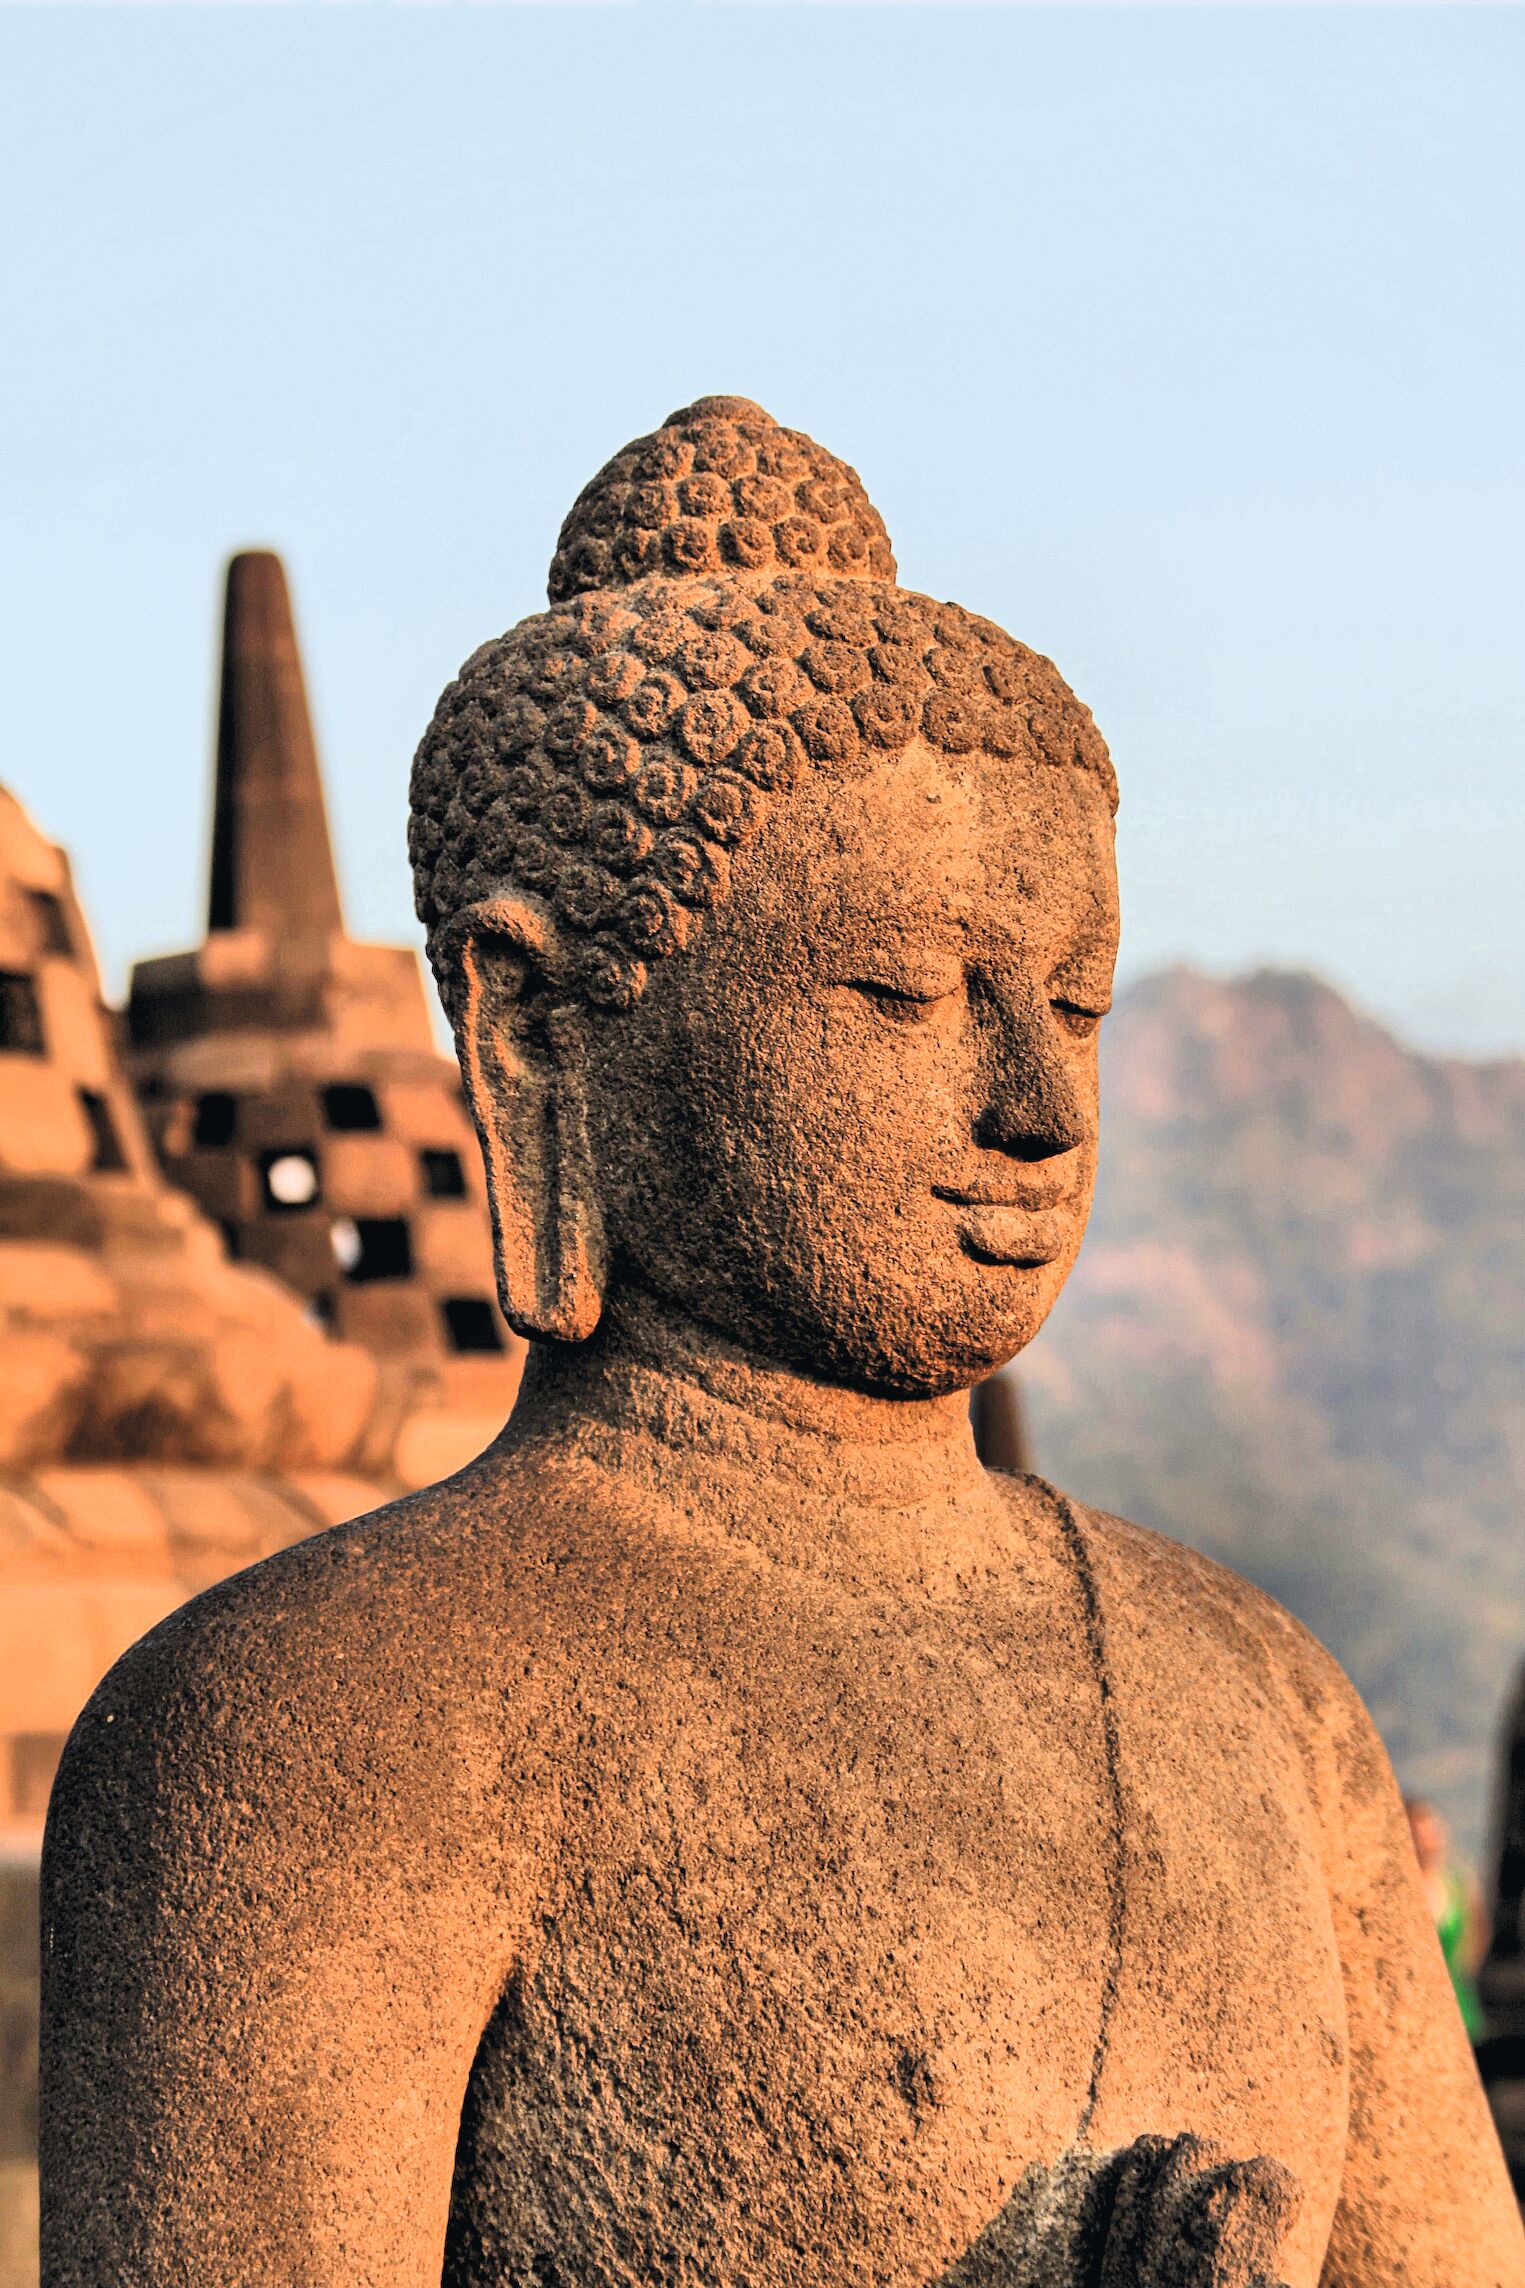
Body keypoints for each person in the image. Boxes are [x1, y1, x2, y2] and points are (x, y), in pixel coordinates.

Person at [41, 399, 1524, 2286]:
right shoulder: (320, 1734)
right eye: (898, 994)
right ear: (541, 1030)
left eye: (1075, 1002)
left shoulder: (1271, 1706)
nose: (1038, 1109)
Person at [1407, 1796, 1489, 2042]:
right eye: (1419, 1836)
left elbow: (1477, 1937)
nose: (1428, 1844)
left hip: (1460, 2006)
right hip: (1416, 2008)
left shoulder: (1457, 1887)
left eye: (1433, 1834)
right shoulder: (1402, 1890)